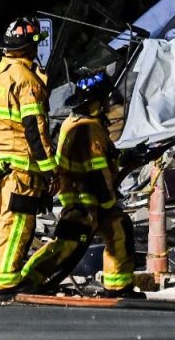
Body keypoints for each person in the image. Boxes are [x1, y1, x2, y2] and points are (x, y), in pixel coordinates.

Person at [18, 68, 140, 298]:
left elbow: (101, 158)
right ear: (98, 100)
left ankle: (118, 286)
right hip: (85, 197)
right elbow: (97, 170)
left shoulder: (78, 122)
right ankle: (28, 280)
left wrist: (126, 158)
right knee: (68, 243)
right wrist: (107, 202)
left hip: (84, 195)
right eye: (105, 99)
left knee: (117, 229)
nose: (108, 105)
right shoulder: (89, 128)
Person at [0, 17, 56, 300]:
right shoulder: (26, 81)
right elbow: (35, 129)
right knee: (15, 224)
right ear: (30, 48)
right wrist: (49, 170)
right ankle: (5, 284)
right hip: (20, 169)